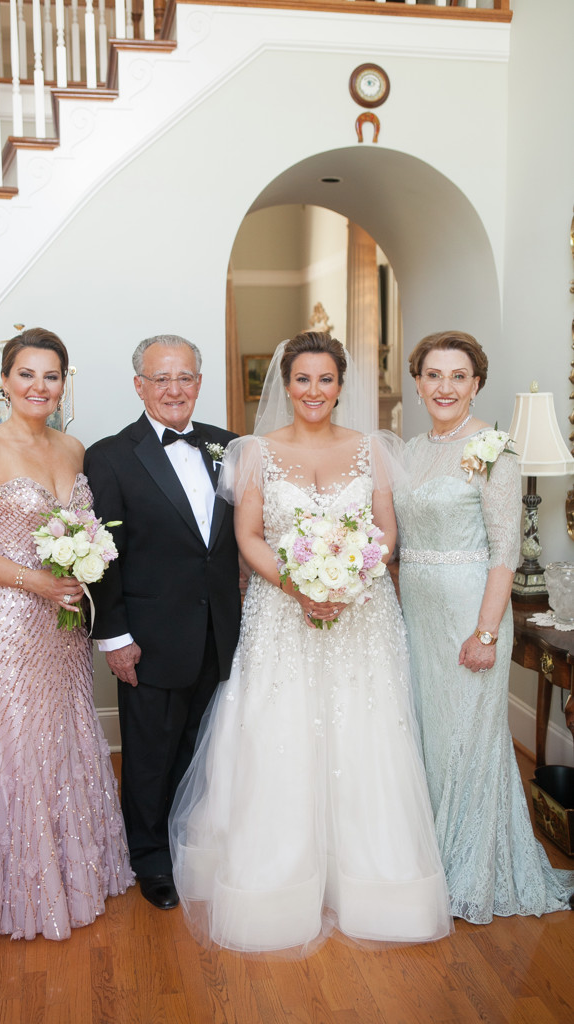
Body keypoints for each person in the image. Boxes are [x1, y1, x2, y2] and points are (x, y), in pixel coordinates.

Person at [169, 332, 453, 953]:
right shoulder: (253, 453)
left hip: (362, 615)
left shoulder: (373, 449)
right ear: (286, 384)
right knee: (282, 729)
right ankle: (279, 879)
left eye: (326, 379)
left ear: (340, 385)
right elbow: (248, 535)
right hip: (281, 612)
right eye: (303, 379)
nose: (314, 391)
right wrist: (298, 585)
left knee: (365, 731)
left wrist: (351, 578)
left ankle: (373, 881)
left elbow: (386, 531)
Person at [0, 327, 134, 942]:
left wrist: (82, 568)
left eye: (51, 376)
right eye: (27, 374)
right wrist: (36, 581)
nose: (39, 386)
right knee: (15, 744)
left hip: (65, 623)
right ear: (5, 381)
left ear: (63, 384)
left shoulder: (74, 448)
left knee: (66, 735)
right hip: (9, 624)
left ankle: (72, 875)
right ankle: (16, 889)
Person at [393, 330, 574, 922]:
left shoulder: (496, 450)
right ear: (417, 383)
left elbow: (504, 552)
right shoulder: (409, 451)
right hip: (418, 612)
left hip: (471, 613)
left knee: (468, 743)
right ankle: (431, 861)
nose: (445, 387)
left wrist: (488, 633)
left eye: (458, 376)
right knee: (429, 737)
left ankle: (471, 872)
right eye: (434, 375)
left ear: (476, 384)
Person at [83, 334, 241, 911]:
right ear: (139, 386)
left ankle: (192, 847)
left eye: (186, 377)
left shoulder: (230, 446)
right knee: (150, 756)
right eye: (161, 378)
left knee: (205, 750)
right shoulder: (109, 455)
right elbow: (101, 554)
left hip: (221, 630)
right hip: (149, 638)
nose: (175, 389)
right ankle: (149, 858)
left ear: (199, 382)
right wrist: (115, 637)